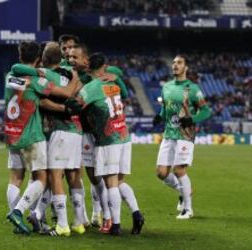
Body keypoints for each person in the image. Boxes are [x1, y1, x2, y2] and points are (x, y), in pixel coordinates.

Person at [5, 41, 79, 235]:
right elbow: (67, 92)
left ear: (20, 55)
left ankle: (17, 220)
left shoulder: (10, 76)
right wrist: (74, 75)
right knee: (41, 178)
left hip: (12, 134)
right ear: (38, 59)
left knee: (15, 178)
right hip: (31, 135)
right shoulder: (37, 79)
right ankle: (18, 212)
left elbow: (33, 92)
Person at [70, 52, 144, 236]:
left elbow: (76, 104)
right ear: (104, 67)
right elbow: (125, 93)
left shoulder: (91, 87)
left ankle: (115, 225)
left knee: (110, 182)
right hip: (124, 135)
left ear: (90, 67)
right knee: (119, 181)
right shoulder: (112, 82)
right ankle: (136, 214)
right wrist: (117, 77)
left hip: (107, 138)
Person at [153, 54, 212, 219]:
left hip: (185, 134)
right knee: (161, 173)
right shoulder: (167, 87)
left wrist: (192, 119)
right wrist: (160, 116)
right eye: (173, 63)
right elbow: (165, 109)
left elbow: (206, 111)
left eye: (179, 63)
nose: (175, 65)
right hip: (169, 133)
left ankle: (188, 209)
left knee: (179, 170)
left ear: (185, 67)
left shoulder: (192, 88)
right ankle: (183, 190)